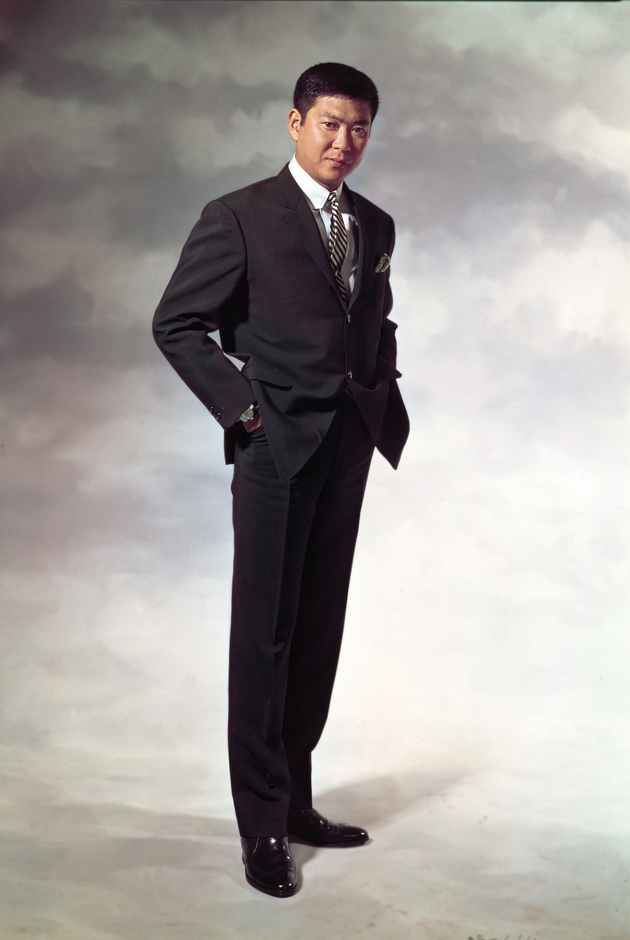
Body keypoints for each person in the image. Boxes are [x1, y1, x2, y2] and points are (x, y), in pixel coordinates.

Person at [153, 62, 409, 897]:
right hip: (274, 448)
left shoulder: (373, 223)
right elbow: (176, 324)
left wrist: (376, 385)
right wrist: (244, 412)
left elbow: (372, 316)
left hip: (347, 444)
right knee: (264, 635)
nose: (345, 141)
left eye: (360, 127)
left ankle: (296, 802)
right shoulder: (238, 216)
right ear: (295, 123)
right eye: (330, 123)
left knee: (317, 629)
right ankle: (260, 825)